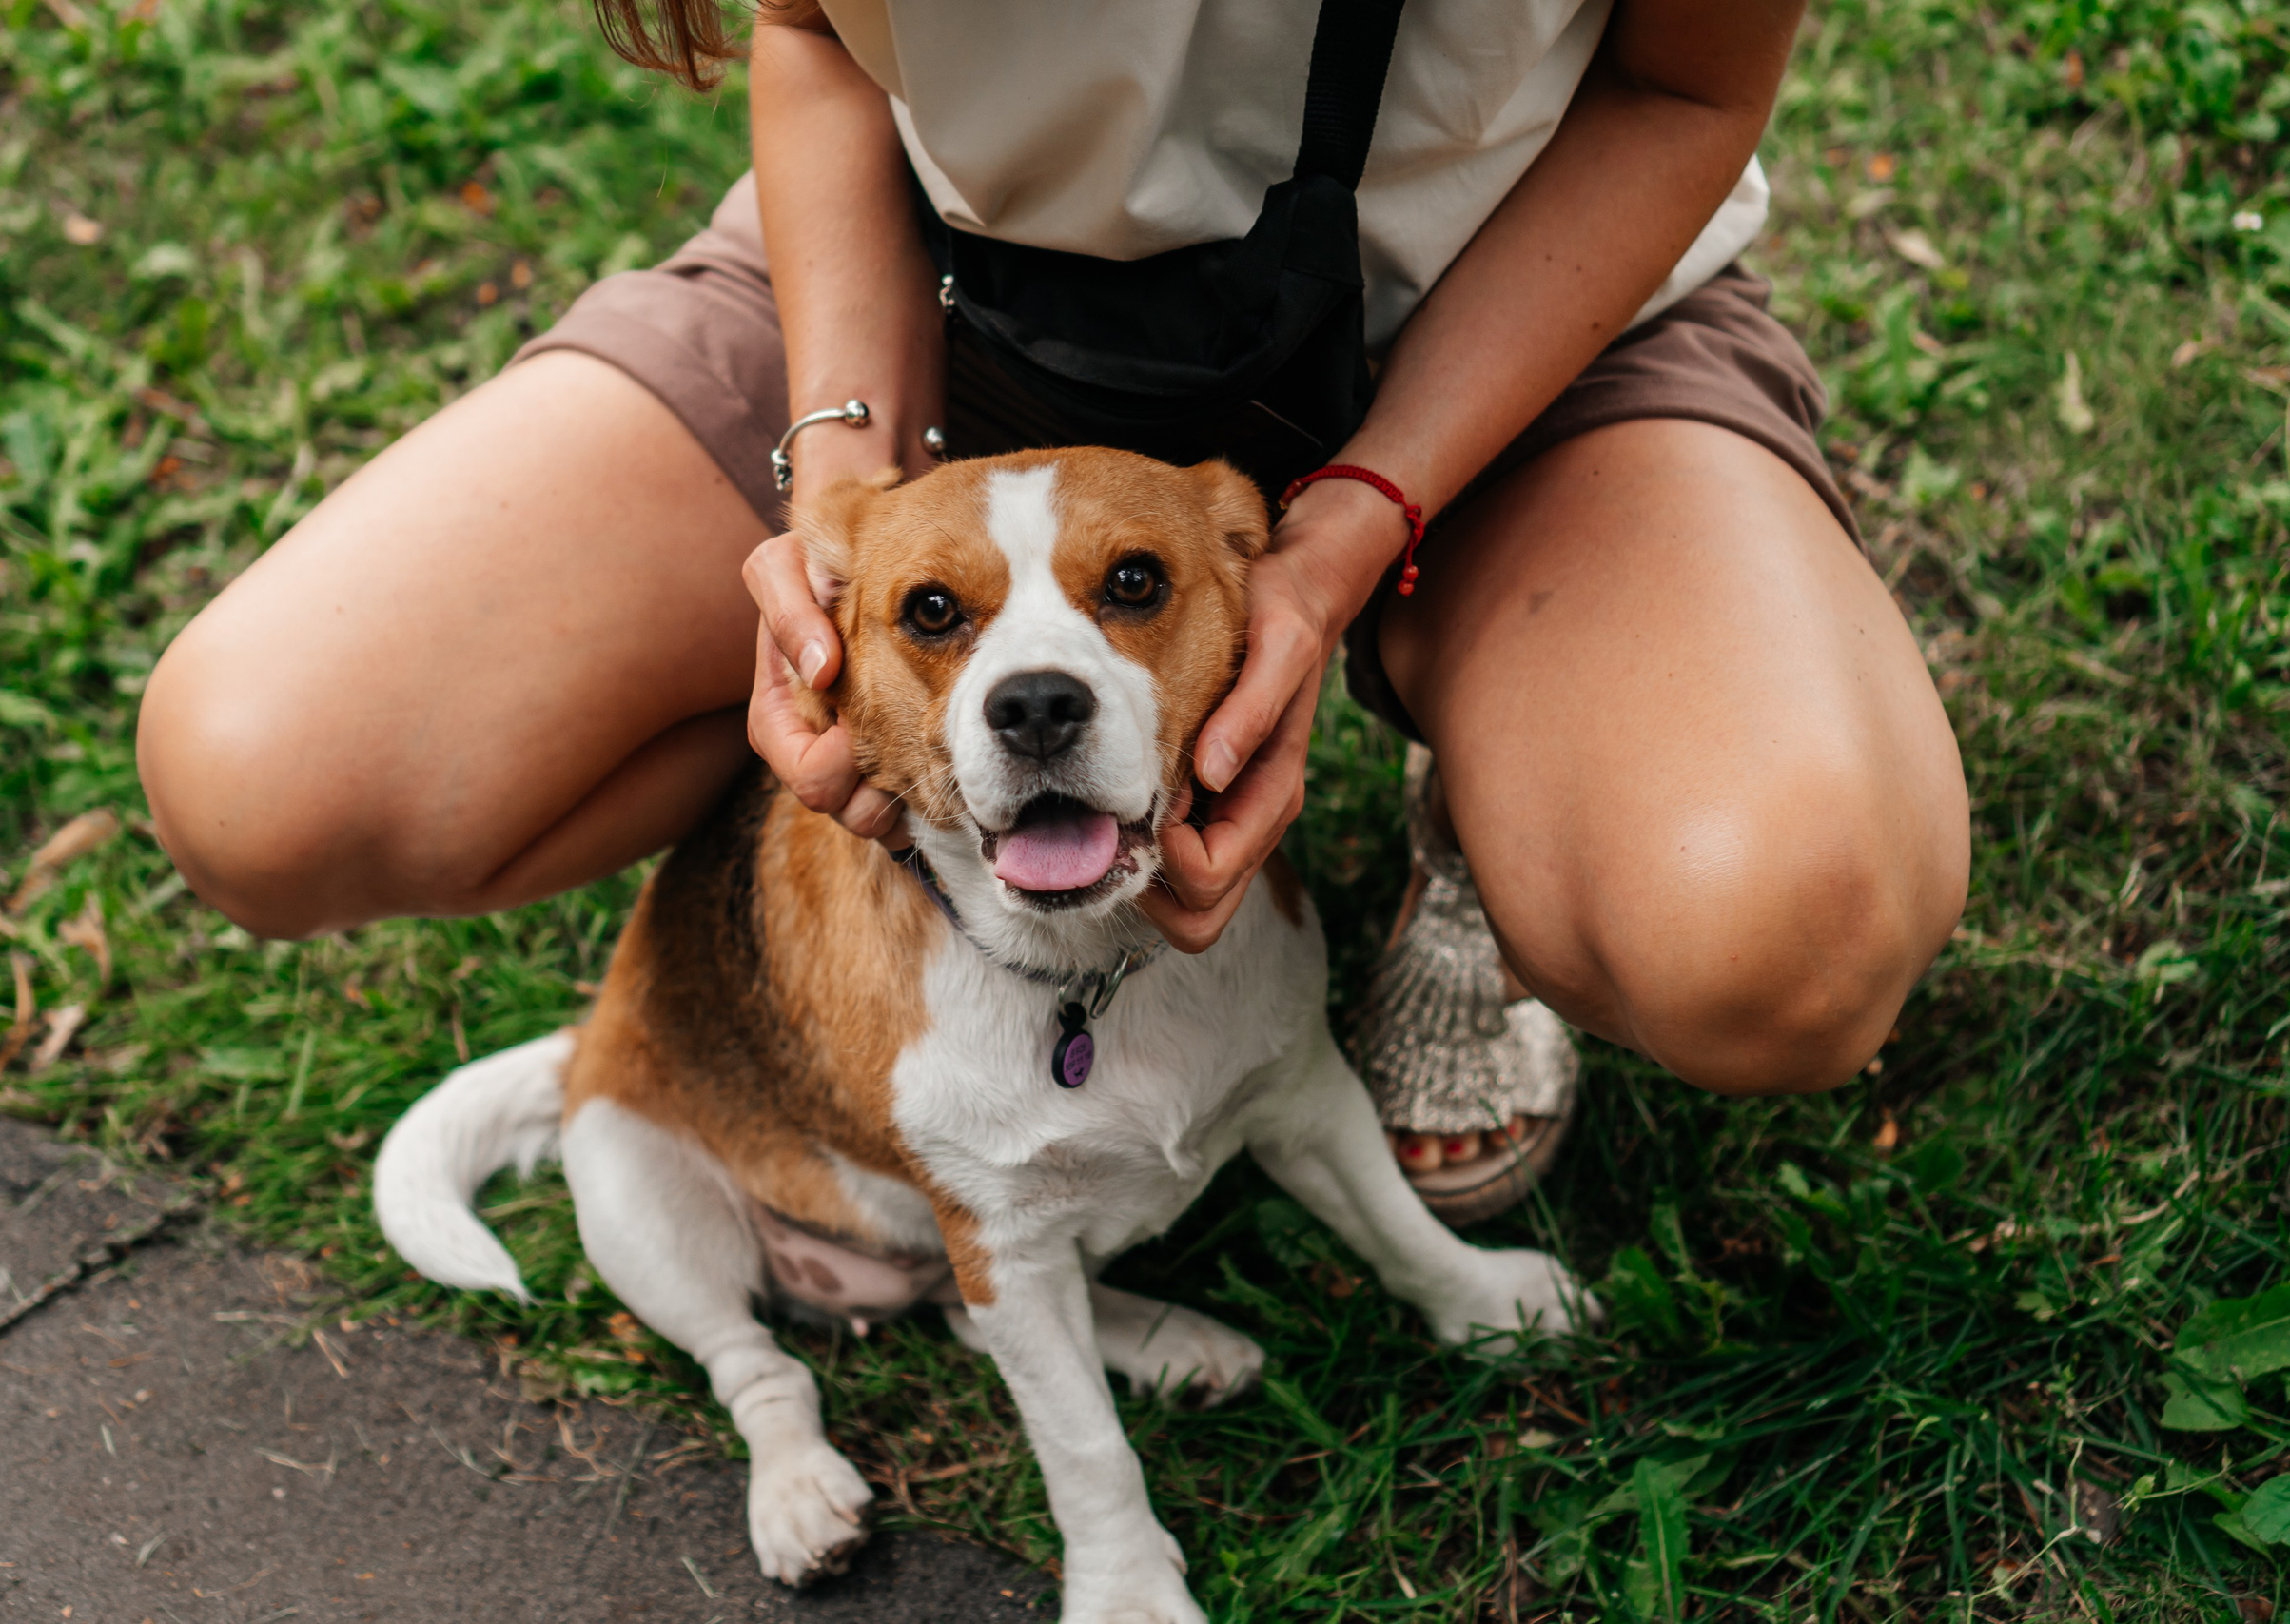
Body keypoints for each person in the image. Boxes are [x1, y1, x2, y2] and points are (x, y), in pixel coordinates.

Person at [136, 0, 1969, 1223]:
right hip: (974, 314)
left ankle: (1485, 800)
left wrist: (1343, 536)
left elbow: (1683, 86)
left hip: (1500, 315)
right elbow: (815, 36)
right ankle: (924, 828)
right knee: (269, 777)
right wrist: (848, 508)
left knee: (1782, 934)